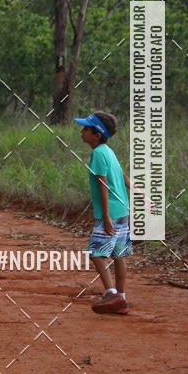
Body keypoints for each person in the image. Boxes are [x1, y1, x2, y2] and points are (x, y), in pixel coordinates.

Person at [75, 111, 132, 315]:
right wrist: (137, 190)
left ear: (96, 134)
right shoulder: (108, 150)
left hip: (112, 212)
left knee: (96, 253)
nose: (82, 132)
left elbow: (103, 184)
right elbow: (121, 174)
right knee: (118, 254)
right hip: (122, 209)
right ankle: (122, 299)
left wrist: (106, 216)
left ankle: (111, 292)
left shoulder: (98, 153)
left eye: (86, 129)